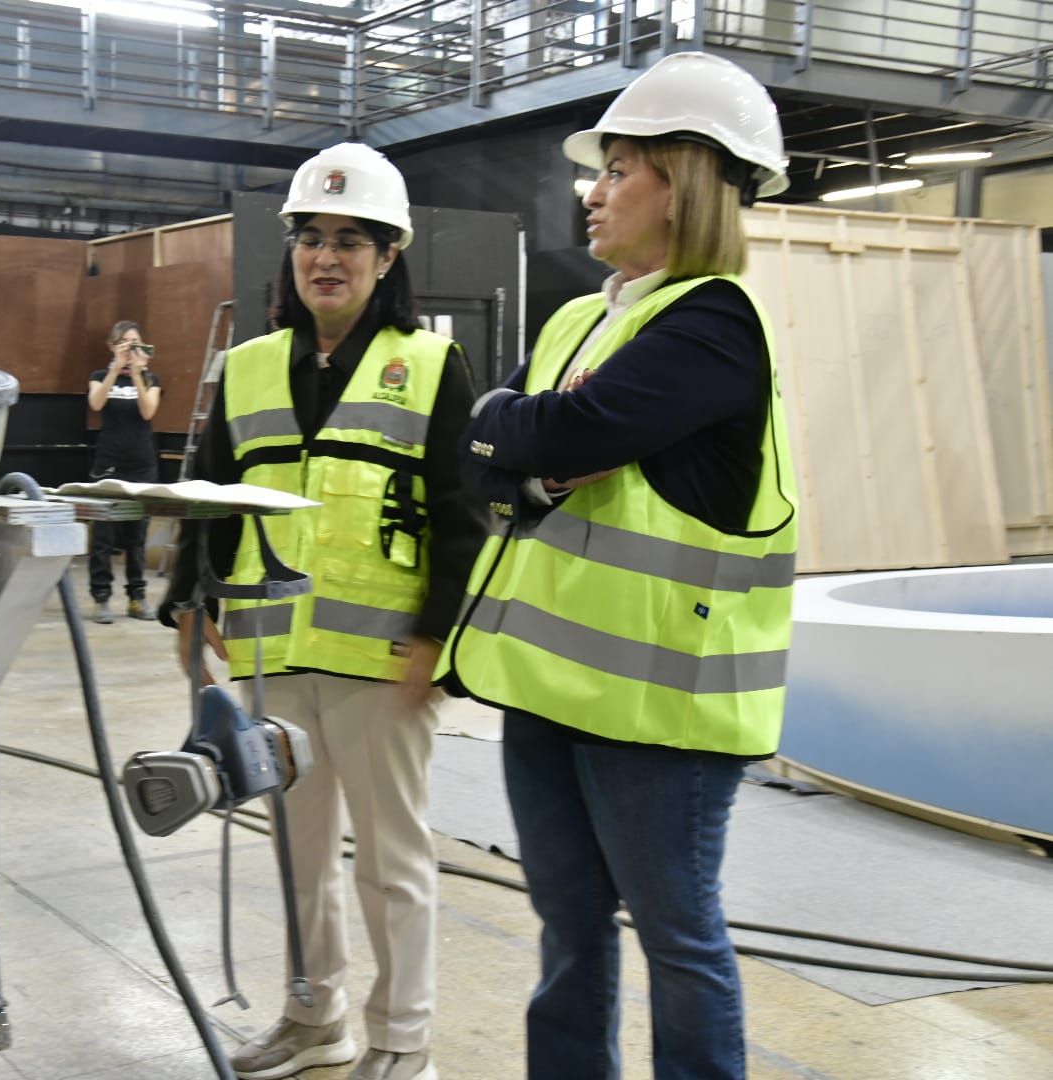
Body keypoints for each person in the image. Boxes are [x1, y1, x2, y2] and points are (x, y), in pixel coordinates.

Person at [436, 52, 799, 1080]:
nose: (590, 191)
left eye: (619, 168)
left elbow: (561, 427)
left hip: (661, 713)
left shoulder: (716, 321)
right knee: (567, 929)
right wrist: (533, 453)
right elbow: (488, 449)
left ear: (680, 185)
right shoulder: (577, 319)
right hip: (550, 691)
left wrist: (533, 444)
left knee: (679, 943)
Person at [161, 142, 486, 1080]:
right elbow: (208, 491)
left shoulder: (431, 365)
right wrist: (189, 598)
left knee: (393, 865)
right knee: (298, 855)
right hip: (271, 655)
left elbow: (463, 516)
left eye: (351, 240)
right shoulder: (251, 366)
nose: (326, 257)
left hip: (384, 661)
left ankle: (401, 1042)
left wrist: (438, 638)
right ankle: (315, 1020)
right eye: (311, 238)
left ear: (389, 258)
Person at [86, 319, 162, 623]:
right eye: (125, 343)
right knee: (103, 534)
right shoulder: (100, 376)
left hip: (142, 464)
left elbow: (148, 411)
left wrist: (139, 375)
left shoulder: (152, 379)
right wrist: (117, 369)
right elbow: (96, 403)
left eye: (136, 343)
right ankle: (101, 597)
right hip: (109, 463)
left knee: (137, 535)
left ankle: (137, 597)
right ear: (112, 345)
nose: (131, 349)